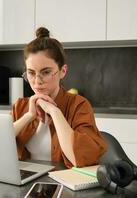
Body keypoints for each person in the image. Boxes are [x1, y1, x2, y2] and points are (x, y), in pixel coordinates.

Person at [11, 27, 107, 168]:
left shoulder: (79, 105)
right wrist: (29, 115)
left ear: (62, 71)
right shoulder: (20, 106)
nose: (37, 81)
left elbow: (79, 159)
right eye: (31, 73)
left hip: (65, 184)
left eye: (46, 72)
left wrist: (55, 112)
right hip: (26, 182)